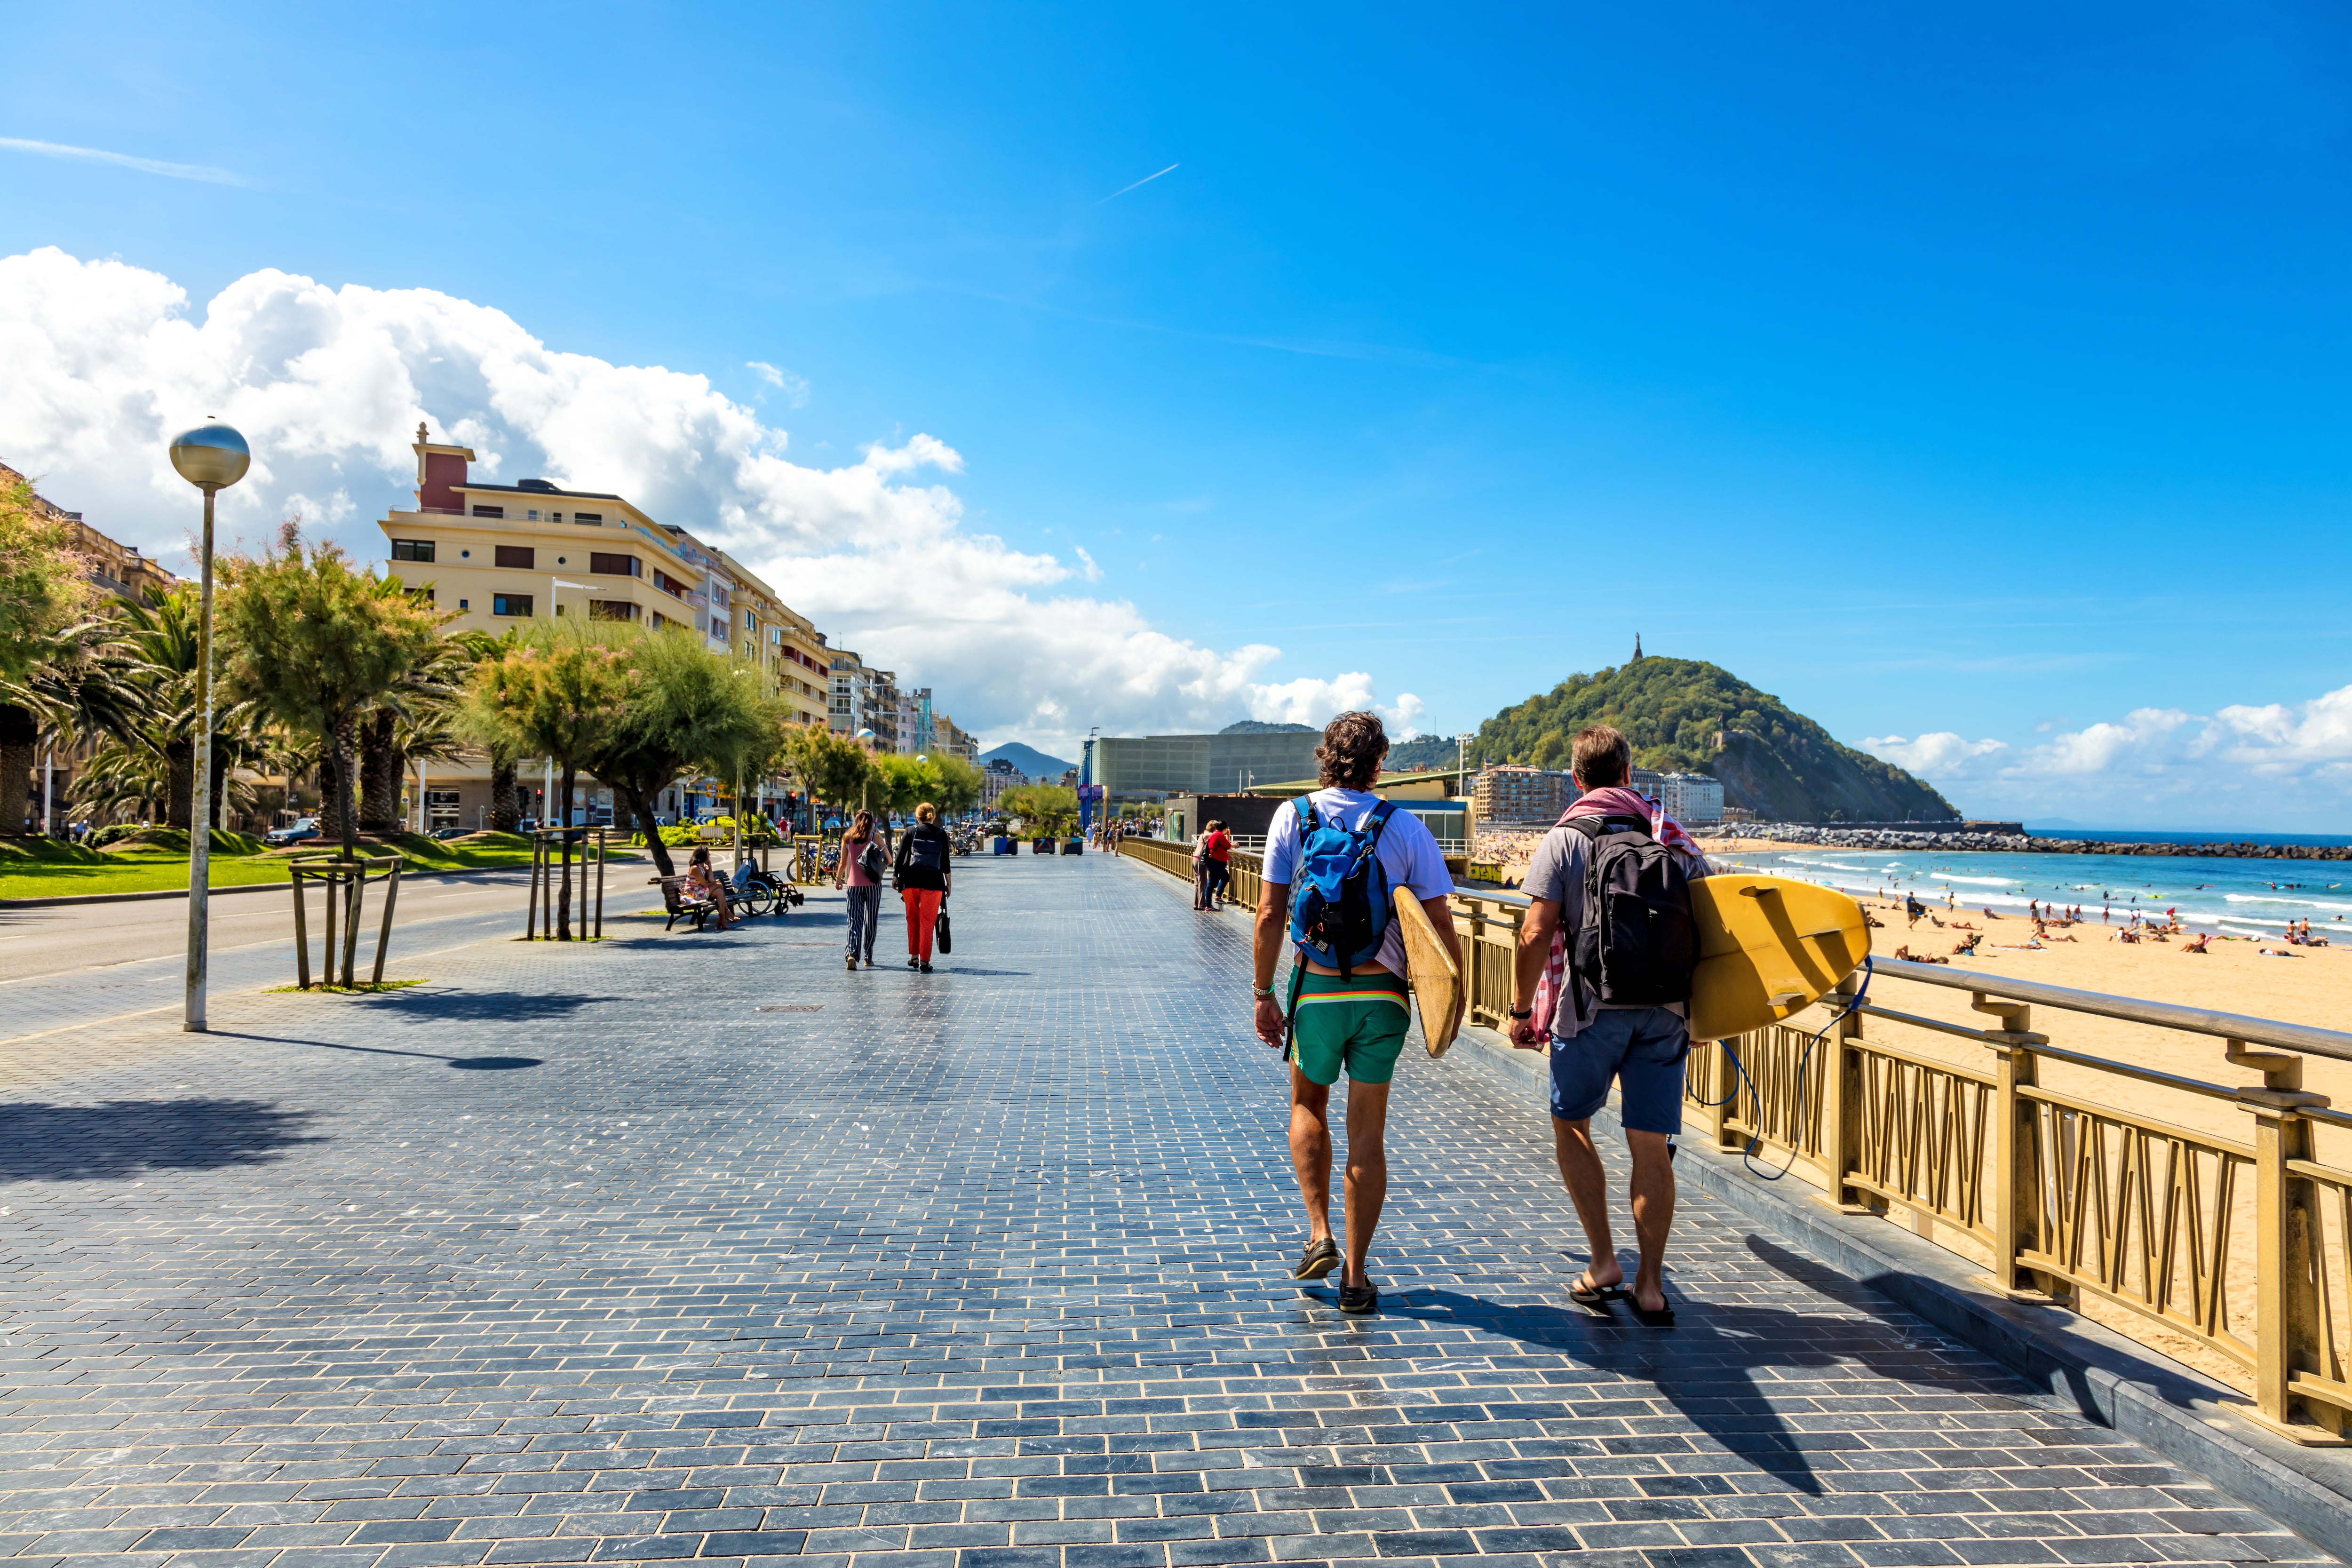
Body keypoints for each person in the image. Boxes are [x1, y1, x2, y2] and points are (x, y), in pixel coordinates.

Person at [1250, 711, 1462, 1315]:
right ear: (1379, 763)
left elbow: (1269, 915)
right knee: (1367, 1131)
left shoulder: (1294, 815)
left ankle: (1318, 1234)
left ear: (1324, 756)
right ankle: (1357, 1278)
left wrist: (1263, 992)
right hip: (1383, 995)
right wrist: (1453, 998)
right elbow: (1439, 923)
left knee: (1305, 1104)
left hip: (1316, 991)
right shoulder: (1406, 828)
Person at [1507, 724, 1711, 1328]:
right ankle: (1650, 1286)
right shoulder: (1669, 836)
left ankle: (1602, 1263)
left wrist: (1522, 1012)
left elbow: (1534, 933)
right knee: (1650, 1145)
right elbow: (1716, 931)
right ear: (1629, 773)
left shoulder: (1563, 840)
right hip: (1666, 1011)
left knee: (1571, 1126)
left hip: (1587, 1008)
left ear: (1576, 779)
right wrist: (1704, 1015)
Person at [894, 801, 953, 973]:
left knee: (912, 918)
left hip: (910, 881)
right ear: (933, 817)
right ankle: (925, 961)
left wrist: (895, 877)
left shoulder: (911, 832)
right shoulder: (942, 834)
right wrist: (948, 883)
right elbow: (945, 862)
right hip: (934, 883)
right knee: (928, 922)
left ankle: (914, 956)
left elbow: (900, 857)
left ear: (917, 817)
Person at [834, 810, 886, 969]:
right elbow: (889, 859)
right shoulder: (875, 837)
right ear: (872, 821)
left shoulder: (847, 838)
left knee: (854, 921)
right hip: (873, 886)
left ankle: (851, 953)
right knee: (871, 921)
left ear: (856, 821)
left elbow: (843, 864)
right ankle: (868, 957)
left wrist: (838, 879)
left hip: (853, 885)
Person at [683, 846, 738, 931]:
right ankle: (726, 913)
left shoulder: (702, 867)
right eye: (708, 854)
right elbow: (705, 884)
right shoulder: (695, 868)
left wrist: (710, 869)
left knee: (719, 892)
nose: (709, 855)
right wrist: (715, 883)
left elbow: (710, 880)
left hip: (701, 892)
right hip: (693, 894)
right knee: (719, 885)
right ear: (703, 855)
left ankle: (722, 919)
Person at [1201, 819, 1234, 910]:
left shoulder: (1216, 834)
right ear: (1224, 828)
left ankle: (1218, 896)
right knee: (1211, 884)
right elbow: (1228, 846)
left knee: (1225, 877)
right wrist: (1228, 835)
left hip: (1217, 863)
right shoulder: (1219, 835)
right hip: (1217, 863)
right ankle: (1208, 905)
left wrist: (1227, 836)